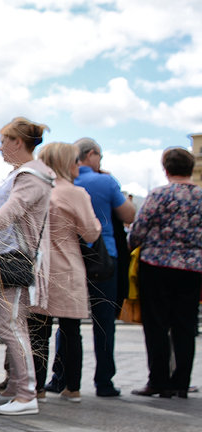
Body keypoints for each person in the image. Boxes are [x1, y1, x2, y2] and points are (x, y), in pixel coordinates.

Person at [0, 117, 54, 416]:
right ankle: (18, 389)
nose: (0, 147)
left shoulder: (30, 176)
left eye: (4, 140)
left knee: (10, 326)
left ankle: (27, 393)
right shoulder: (24, 174)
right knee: (11, 325)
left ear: (18, 142)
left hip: (14, 259)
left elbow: (8, 215)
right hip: (6, 258)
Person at [27, 142, 101, 402]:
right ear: (66, 162)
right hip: (68, 266)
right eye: (74, 160)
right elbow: (90, 232)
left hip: (39, 267)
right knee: (71, 330)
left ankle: (36, 386)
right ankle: (72, 386)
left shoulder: (35, 187)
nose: (78, 165)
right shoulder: (75, 193)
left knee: (37, 330)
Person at [127, 146, 202, 398]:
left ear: (166, 168)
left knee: (156, 325)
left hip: (156, 265)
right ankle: (181, 382)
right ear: (191, 168)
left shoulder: (158, 195)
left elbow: (138, 230)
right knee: (185, 325)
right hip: (192, 267)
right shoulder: (200, 196)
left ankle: (158, 380)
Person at [73, 137, 136, 397]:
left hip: (71, 258)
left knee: (68, 322)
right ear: (92, 155)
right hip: (104, 258)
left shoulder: (65, 182)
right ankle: (104, 381)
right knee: (104, 322)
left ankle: (62, 377)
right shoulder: (105, 181)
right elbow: (129, 215)